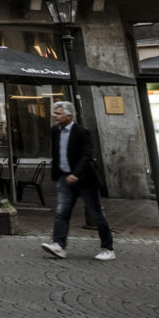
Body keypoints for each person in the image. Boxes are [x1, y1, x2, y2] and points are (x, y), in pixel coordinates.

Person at [41, 101, 115, 261]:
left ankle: (107, 248)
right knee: (62, 212)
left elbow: (86, 154)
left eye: (58, 113)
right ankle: (59, 245)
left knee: (96, 214)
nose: (55, 116)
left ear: (69, 115)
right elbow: (56, 152)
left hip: (85, 180)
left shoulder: (82, 132)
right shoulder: (55, 131)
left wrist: (76, 173)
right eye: (55, 113)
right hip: (64, 178)